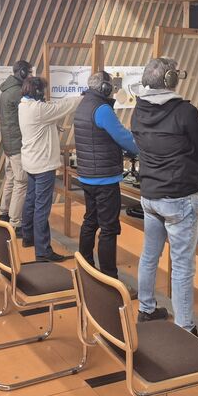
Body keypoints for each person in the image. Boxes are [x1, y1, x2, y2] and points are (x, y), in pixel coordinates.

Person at [131, 58, 198, 334]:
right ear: (171, 80)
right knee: (182, 266)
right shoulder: (185, 112)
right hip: (178, 197)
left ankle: (146, 309)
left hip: (150, 195)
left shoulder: (138, 110)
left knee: (149, 255)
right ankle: (185, 328)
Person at [75, 71, 139, 280]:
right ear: (105, 88)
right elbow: (124, 138)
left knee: (90, 221)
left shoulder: (84, 105)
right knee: (109, 228)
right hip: (104, 178)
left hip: (87, 176)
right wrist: (141, 148)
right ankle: (109, 279)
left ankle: (86, 267)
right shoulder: (102, 109)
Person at [18, 75, 80, 262]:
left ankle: (28, 237)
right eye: (42, 91)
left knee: (31, 201)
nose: (44, 94)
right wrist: (84, 97)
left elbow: (52, 107)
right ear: (37, 92)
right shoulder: (38, 110)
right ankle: (43, 250)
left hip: (31, 161)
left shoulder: (24, 106)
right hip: (43, 164)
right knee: (42, 207)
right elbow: (63, 107)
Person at [0, 60, 32, 226]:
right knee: (21, 182)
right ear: (23, 72)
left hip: (9, 143)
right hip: (17, 144)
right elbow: (30, 113)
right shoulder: (17, 92)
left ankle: (4, 213)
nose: (30, 75)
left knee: (11, 179)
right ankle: (15, 222)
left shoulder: (7, 90)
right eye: (29, 72)